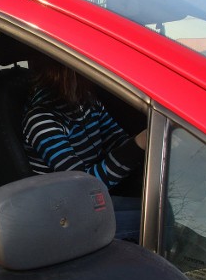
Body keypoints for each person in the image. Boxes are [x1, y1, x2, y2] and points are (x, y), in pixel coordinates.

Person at [22, 58, 146, 240]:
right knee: (162, 223)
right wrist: (138, 145)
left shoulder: (86, 102)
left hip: (90, 202)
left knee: (161, 209)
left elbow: (117, 139)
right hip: (65, 214)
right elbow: (83, 186)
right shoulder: (41, 119)